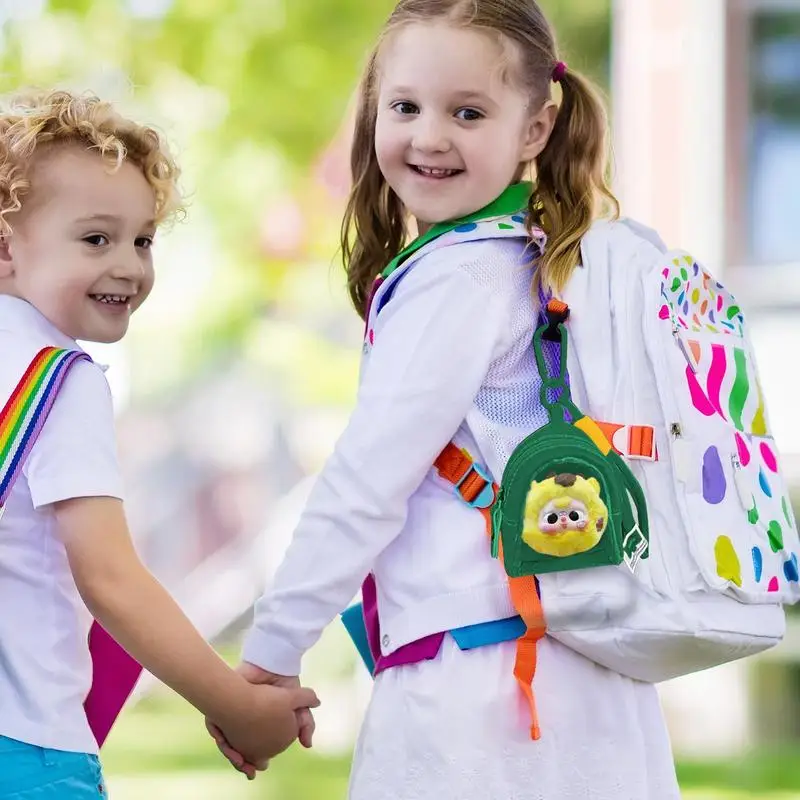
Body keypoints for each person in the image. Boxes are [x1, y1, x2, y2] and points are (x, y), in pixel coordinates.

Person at [215, 1, 682, 797]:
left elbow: (367, 482)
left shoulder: (458, 276)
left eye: (467, 112)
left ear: (535, 130)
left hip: (482, 688)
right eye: (405, 107)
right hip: (594, 670)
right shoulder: (560, 261)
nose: (429, 136)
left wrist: (268, 655)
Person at [0, 89, 318, 799]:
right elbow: (110, 578)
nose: (130, 266)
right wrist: (238, 708)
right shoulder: (58, 379)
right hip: (28, 750)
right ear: (5, 249)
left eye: (142, 239)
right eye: (95, 239)